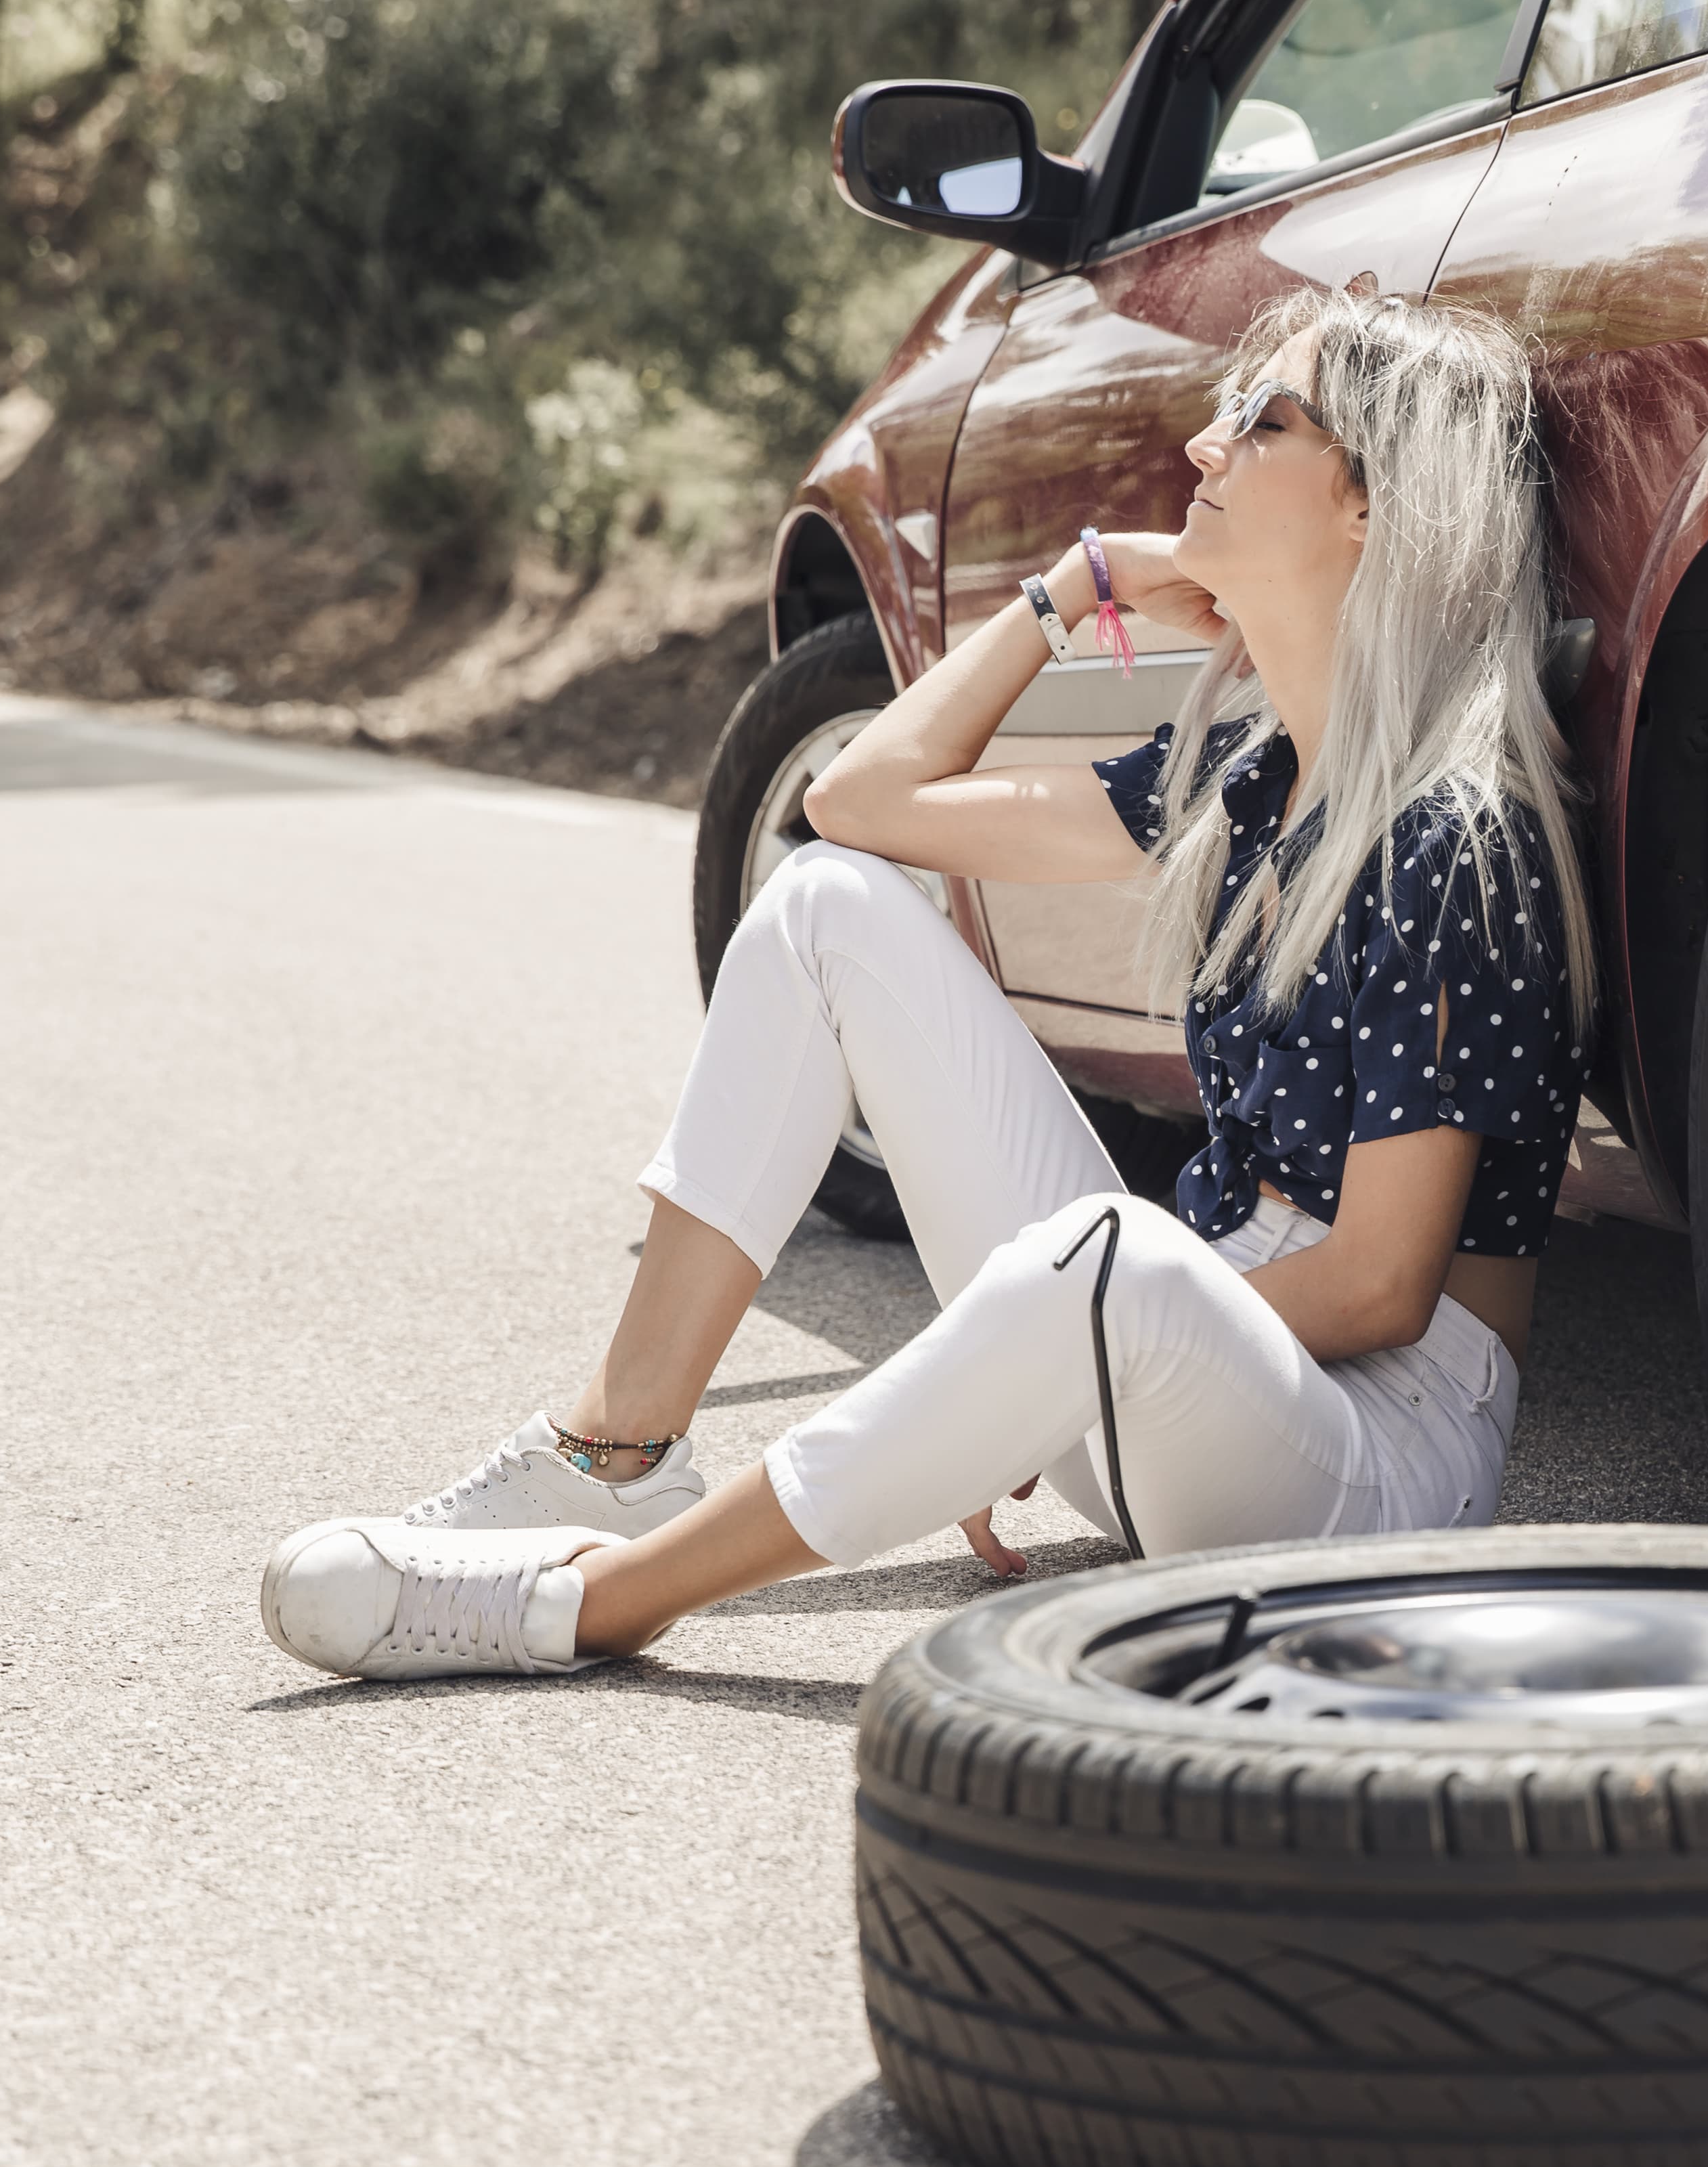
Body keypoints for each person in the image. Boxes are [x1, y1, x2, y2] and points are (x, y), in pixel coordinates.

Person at [260, 283, 1598, 1683]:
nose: (1204, 447)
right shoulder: (1249, 781)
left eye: (1262, 422)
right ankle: (618, 1454)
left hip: (1367, 1460)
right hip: (1156, 1377)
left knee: (1113, 1254)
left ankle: (594, 1604)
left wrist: (1025, 1375)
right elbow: (857, 802)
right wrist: (1072, 586)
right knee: (824, 909)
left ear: (1372, 503)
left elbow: (1381, 1287)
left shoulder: (1458, 835)